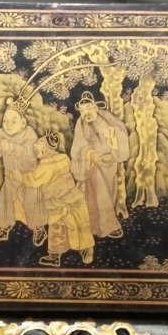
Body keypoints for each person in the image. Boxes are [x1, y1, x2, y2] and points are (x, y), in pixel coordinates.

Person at [10, 131, 94, 267]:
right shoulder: (63, 158)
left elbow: (32, 181)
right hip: (76, 198)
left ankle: (54, 256)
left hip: (57, 203)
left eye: (38, 143)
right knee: (81, 226)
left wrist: (19, 176)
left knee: (57, 226)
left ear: (44, 147)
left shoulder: (45, 165)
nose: (35, 146)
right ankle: (86, 251)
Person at [0, 97, 47, 246]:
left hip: (28, 176)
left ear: (23, 123)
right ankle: (3, 228)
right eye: (5, 121)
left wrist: (10, 147)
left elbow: (31, 152)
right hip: (11, 176)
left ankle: (39, 228)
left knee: (32, 199)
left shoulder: (29, 133)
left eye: (13, 121)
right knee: (5, 197)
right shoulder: (1, 133)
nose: (8, 125)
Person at [70, 91, 129, 239]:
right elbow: (79, 144)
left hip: (110, 162)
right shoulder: (80, 123)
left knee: (110, 192)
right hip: (92, 164)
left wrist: (112, 134)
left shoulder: (107, 117)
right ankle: (109, 226)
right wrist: (90, 153)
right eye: (82, 111)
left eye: (89, 108)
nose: (86, 113)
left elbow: (120, 131)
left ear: (96, 107)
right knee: (98, 193)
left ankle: (98, 226)